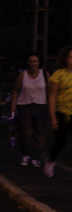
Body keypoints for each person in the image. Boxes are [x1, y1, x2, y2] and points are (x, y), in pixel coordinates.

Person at [10, 52, 49, 168]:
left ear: (39, 62)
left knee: (40, 133)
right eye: (31, 61)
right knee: (27, 132)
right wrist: (13, 104)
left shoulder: (45, 74)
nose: (33, 64)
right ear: (27, 62)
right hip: (25, 106)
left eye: (35, 61)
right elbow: (15, 90)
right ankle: (26, 154)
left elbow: (51, 90)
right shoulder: (23, 75)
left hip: (41, 107)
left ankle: (36, 157)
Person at [45, 45, 72, 177]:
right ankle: (51, 160)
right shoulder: (59, 74)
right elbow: (52, 97)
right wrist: (53, 117)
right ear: (66, 59)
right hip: (61, 112)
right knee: (61, 142)